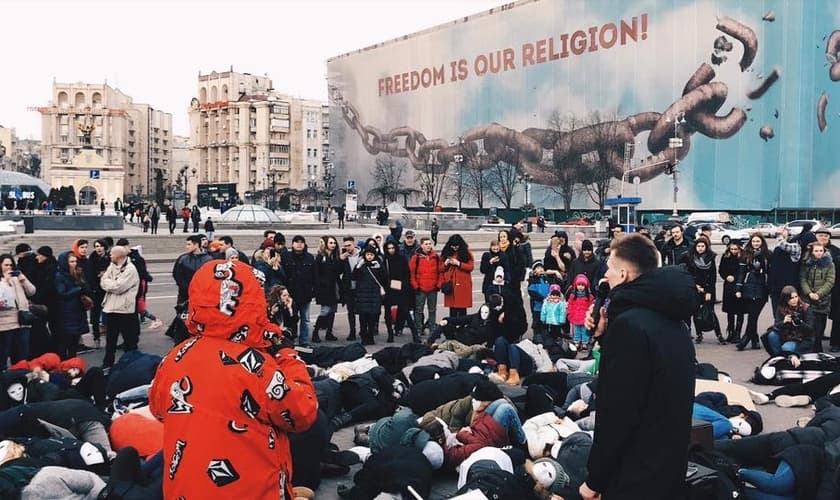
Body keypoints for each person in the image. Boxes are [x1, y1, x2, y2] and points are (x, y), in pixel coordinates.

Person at [149, 259, 318, 499]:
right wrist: (287, 354)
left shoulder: (175, 356)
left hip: (185, 490)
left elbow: (157, 409)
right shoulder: (255, 364)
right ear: (251, 302)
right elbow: (302, 412)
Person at [580, 234, 696, 500]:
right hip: (667, 465)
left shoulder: (630, 327)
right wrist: (603, 334)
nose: (604, 275)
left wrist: (595, 479)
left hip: (635, 473)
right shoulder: (672, 320)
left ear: (623, 274)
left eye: (609, 267)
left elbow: (617, 411)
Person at [100, 246, 140, 369]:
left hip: (125, 310)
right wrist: (110, 283)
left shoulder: (130, 269)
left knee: (129, 340)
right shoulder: (112, 266)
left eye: (111, 254)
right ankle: (108, 363)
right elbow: (102, 281)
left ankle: (130, 364)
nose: (109, 256)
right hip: (111, 308)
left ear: (118, 256)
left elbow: (118, 287)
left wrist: (109, 283)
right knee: (110, 340)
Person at [681, 236, 725, 344]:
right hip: (695, 288)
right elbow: (687, 274)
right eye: (698, 246)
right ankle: (699, 334)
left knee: (710, 313)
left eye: (702, 246)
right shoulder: (690, 258)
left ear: (706, 247)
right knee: (696, 313)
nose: (700, 248)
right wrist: (695, 285)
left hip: (708, 289)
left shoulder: (710, 258)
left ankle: (719, 335)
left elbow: (713, 276)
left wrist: (709, 291)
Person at [0, 254, 36, 370]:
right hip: (5, 324)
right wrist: (5, 281)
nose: (9, 268)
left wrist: (23, 279)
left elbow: (32, 291)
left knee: (22, 357)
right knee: (3, 356)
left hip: (23, 321)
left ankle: (20, 380)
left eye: (11, 265)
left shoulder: (17, 278)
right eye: (6, 265)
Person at [736, 234, 771, 351]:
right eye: (754, 241)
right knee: (752, 315)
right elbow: (741, 273)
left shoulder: (767, 254)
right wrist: (738, 289)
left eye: (758, 241)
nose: (756, 243)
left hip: (762, 287)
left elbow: (770, 271)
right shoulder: (745, 254)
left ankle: (746, 338)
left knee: (754, 315)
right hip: (749, 287)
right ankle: (754, 340)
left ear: (762, 242)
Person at [54, 252, 92, 360]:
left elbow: (87, 288)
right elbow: (62, 294)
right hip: (66, 312)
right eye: (71, 261)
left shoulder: (77, 273)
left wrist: (84, 287)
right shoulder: (59, 276)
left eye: (75, 261)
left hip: (78, 310)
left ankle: (72, 363)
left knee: (74, 342)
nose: (74, 264)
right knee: (66, 341)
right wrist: (78, 289)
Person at [800, 242, 835, 352]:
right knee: (810, 324)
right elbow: (802, 279)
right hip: (808, 298)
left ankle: (818, 349)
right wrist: (809, 293)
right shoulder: (806, 263)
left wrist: (819, 294)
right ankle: (809, 348)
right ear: (812, 252)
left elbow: (830, 281)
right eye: (816, 251)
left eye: (821, 251)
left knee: (820, 326)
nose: (819, 253)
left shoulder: (830, 264)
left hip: (822, 300)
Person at [282, 235, 316, 346]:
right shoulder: (286, 257)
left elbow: (314, 276)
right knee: (291, 319)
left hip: (305, 294)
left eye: (301, 242)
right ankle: (291, 341)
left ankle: (304, 341)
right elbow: (283, 275)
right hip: (290, 294)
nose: (299, 244)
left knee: (305, 319)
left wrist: (313, 290)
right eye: (296, 242)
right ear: (292, 244)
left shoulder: (310, 258)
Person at [764, 285, 815, 356]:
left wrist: (800, 323)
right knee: (772, 335)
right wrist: (783, 322)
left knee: (786, 348)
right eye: (791, 298)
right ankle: (779, 356)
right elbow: (776, 326)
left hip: (800, 338)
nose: (794, 300)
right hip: (785, 335)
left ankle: (786, 356)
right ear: (785, 299)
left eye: (796, 297)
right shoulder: (781, 308)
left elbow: (811, 329)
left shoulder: (805, 308)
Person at [382, 240, 417, 343]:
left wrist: (401, 284)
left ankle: (414, 334)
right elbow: (383, 276)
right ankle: (390, 334)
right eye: (389, 248)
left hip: (401, 288)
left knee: (405, 311)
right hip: (389, 289)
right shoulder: (384, 260)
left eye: (392, 248)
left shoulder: (401, 258)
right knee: (387, 313)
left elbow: (407, 273)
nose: (391, 250)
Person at [352, 245, 387, 345]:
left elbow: (384, 278)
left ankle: (370, 336)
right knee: (363, 318)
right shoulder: (361, 265)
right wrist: (358, 267)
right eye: (368, 254)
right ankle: (364, 337)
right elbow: (354, 277)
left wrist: (380, 268)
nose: (369, 256)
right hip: (362, 294)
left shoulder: (378, 265)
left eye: (371, 254)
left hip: (374, 295)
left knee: (372, 318)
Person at [409, 237, 443, 336]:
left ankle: (432, 329)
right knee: (419, 310)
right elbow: (411, 273)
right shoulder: (416, 258)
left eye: (429, 244)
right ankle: (419, 330)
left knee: (432, 310)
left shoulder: (436, 257)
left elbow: (440, 272)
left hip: (433, 288)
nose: (428, 246)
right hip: (420, 288)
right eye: (426, 244)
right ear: (422, 245)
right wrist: (415, 286)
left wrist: (438, 284)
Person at [313, 236, 342, 343]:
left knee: (332, 311)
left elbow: (337, 271)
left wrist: (340, 260)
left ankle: (329, 333)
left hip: (334, 287)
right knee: (325, 311)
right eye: (330, 243)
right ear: (326, 244)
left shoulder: (335, 256)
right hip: (324, 288)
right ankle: (315, 333)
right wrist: (320, 285)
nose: (333, 245)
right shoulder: (321, 256)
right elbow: (317, 273)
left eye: (334, 243)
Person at [440, 234, 474, 318]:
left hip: (463, 284)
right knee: (452, 310)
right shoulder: (446, 253)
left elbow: (471, 267)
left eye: (457, 246)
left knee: (462, 309)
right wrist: (445, 264)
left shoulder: (467, 253)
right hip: (451, 284)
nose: (455, 248)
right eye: (453, 246)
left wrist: (459, 264)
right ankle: (453, 328)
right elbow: (440, 269)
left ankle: (462, 329)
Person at [172, 235, 212, 304]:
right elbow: (176, 274)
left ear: (196, 245)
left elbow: (210, 278)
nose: (187, 247)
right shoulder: (182, 259)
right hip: (184, 294)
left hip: (201, 294)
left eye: (189, 244)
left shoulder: (208, 259)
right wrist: (185, 287)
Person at [719, 242, 746, 343]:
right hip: (729, 285)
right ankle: (730, 332)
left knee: (740, 311)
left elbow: (744, 271)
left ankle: (738, 333)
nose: (734, 251)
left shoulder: (743, 257)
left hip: (739, 285)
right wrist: (726, 276)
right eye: (732, 249)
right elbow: (721, 270)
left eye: (736, 249)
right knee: (730, 311)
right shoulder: (725, 257)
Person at [340, 236, 362, 341]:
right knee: (350, 311)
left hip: (360, 287)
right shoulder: (344, 257)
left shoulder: (361, 255)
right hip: (348, 288)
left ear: (354, 243)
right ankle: (352, 331)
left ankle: (363, 330)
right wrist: (340, 259)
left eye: (349, 245)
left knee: (362, 310)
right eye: (345, 246)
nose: (348, 248)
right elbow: (337, 271)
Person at [567, 274, 594, 350]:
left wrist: (590, 314)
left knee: (584, 330)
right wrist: (570, 313)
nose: (580, 287)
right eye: (579, 285)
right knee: (577, 330)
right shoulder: (573, 296)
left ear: (585, 286)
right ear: (576, 285)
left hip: (585, 316)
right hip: (576, 316)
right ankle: (577, 341)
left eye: (582, 285)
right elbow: (570, 305)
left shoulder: (589, 296)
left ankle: (585, 342)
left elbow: (591, 306)